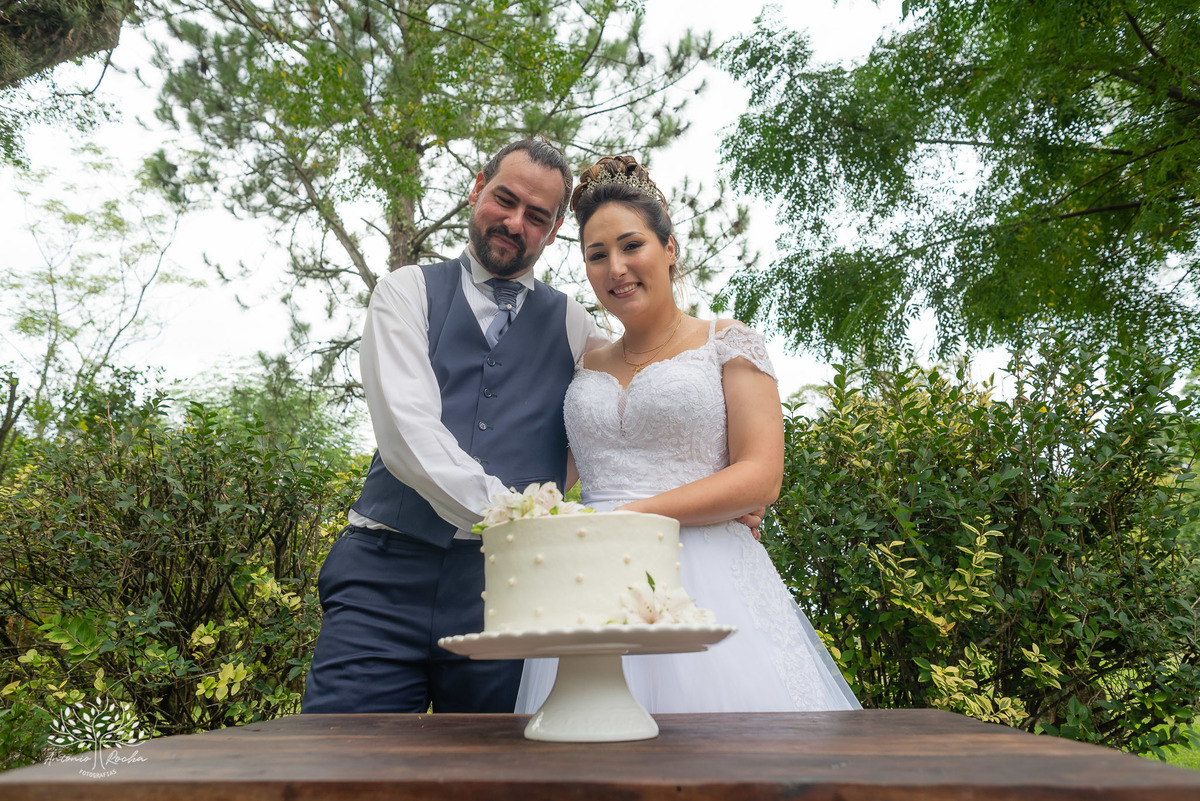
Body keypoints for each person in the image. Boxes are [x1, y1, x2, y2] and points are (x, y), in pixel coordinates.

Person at [515, 155, 860, 713]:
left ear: (669, 248)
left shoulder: (727, 341)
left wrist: (630, 519)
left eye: (632, 246)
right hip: (592, 582)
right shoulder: (584, 362)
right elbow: (557, 469)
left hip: (706, 576)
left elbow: (760, 475)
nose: (616, 268)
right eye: (596, 255)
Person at [302, 138, 608, 714]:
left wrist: (723, 467)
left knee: (500, 783)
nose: (515, 223)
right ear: (477, 188)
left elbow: (635, 401)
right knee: (338, 765)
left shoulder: (573, 324)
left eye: (537, 216)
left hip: (508, 593)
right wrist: (519, 514)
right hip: (382, 580)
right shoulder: (406, 292)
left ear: (556, 226)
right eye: (504, 199)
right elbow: (407, 435)